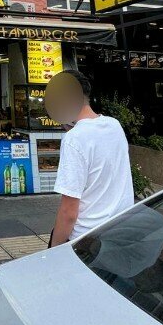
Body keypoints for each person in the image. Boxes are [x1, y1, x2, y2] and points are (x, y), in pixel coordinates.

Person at [49, 70, 133, 247]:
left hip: (88, 240)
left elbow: (68, 212)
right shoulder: (114, 125)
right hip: (121, 231)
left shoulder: (74, 139)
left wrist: (53, 250)